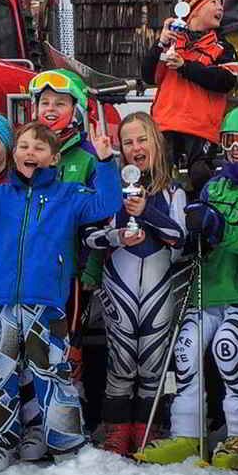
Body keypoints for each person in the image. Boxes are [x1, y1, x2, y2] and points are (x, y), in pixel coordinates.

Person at [0, 121, 120, 471]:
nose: (31, 153)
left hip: (46, 300)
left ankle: (66, 443)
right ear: (15, 153)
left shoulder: (69, 195)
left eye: (40, 148)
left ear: (54, 158)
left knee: (53, 373)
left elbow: (106, 203)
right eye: (25, 146)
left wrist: (105, 162)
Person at [133, 105, 238, 471]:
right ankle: (187, 434)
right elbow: (193, 223)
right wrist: (194, 225)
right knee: (186, 349)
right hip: (206, 287)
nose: (235, 150)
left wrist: (218, 226)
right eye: (229, 141)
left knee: (228, 350)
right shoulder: (215, 182)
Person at [83, 112, 186, 455]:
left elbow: (178, 236)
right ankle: (116, 429)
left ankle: (149, 427)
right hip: (119, 282)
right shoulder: (112, 188)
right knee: (122, 359)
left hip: (159, 284)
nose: (135, 147)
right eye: (127, 142)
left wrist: (146, 212)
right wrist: (117, 236)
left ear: (156, 141)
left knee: (154, 360)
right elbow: (90, 237)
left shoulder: (172, 191)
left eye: (142, 139)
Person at [141, 0, 238, 184]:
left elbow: (226, 80)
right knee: (157, 178)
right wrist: (159, 44)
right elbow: (149, 76)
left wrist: (184, 66)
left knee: (201, 176)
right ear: (194, 10)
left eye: (221, 4)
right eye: (213, 2)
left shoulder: (222, 47)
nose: (220, 8)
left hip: (201, 129)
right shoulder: (171, 41)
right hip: (165, 124)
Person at [27, 69, 99, 186]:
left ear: (76, 110)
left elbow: (103, 202)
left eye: (60, 104)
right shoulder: (24, 151)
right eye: (45, 103)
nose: (50, 108)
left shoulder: (89, 156)